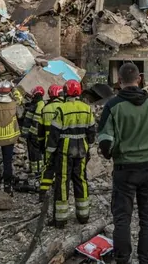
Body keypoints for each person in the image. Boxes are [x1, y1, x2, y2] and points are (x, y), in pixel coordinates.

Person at [98, 63, 148, 264]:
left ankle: (122, 259)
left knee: (122, 219)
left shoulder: (113, 106)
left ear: (119, 81)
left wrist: (111, 154)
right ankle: (145, 260)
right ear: (139, 79)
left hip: (125, 169)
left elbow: (105, 141)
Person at [46, 80, 96, 227]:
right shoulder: (86, 109)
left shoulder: (61, 109)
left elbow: (54, 134)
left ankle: (61, 219)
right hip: (82, 149)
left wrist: (50, 153)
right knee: (81, 179)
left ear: (66, 92)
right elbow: (91, 131)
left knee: (62, 181)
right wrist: (89, 145)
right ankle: (83, 216)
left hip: (65, 150)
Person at [37, 85, 64, 201]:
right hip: (62, 143)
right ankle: (59, 191)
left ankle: (43, 192)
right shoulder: (64, 107)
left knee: (48, 167)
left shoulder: (45, 109)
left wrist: (41, 145)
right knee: (62, 168)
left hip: (48, 144)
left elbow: (40, 131)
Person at [22, 86, 46, 177]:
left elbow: (36, 121)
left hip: (34, 134)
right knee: (31, 152)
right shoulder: (35, 103)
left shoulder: (40, 104)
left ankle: (38, 171)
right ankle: (33, 169)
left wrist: (33, 133)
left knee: (36, 153)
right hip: (30, 133)